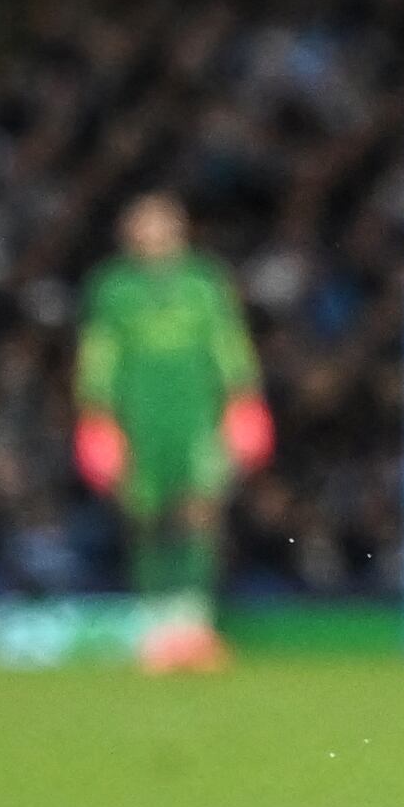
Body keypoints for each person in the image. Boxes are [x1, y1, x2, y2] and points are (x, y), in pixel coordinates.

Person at [73, 192, 270, 674]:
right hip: (138, 419)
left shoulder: (205, 282)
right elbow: (99, 352)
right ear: (128, 234)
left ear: (179, 230)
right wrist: (95, 413)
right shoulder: (113, 288)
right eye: (144, 225)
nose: (154, 234)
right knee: (146, 518)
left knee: (200, 513)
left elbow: (229, 342)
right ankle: (156, 629)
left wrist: (244, 398)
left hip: (196, 417)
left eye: (162, 224)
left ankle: (195, 626)